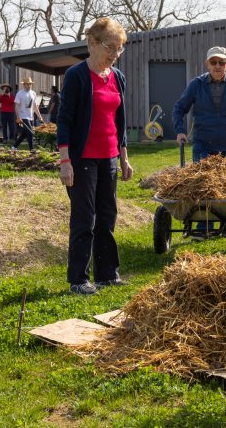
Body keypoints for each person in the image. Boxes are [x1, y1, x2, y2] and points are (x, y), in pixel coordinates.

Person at [56, 17, 133, 295]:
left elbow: (120, 121)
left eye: (119, 48)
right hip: (83, 159)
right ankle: (78, 279)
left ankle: (107, 275)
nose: (115, 54)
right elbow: (64, 120)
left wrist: (124, 157)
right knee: (84, 219)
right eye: (110, 47)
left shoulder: (117, 77)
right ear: (92, 43)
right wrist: (65, 161)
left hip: (109, 157)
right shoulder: (76, 76)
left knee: (107, 216)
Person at [12, 76, 44, 151]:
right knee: (30, 131)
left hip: (30, 116)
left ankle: (14, 147)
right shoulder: (20, 93)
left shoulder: (33, 93)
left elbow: (35, 106)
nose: (29, 85)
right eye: (27, 84)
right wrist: (18, 117)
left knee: (24, 134)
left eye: (30, 84)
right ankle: (32, 149)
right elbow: (16, 106)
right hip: (23, 116)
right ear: (24, 84)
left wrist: (40, 117)